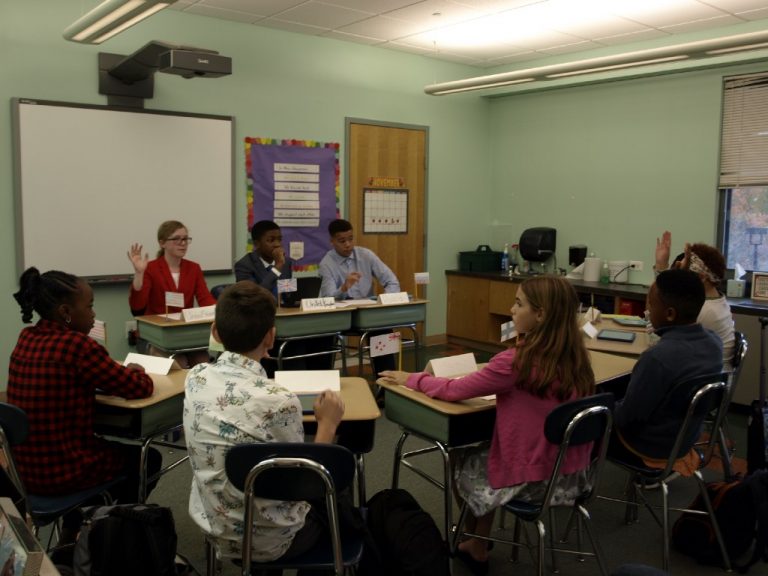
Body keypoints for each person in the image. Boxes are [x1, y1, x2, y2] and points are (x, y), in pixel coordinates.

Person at [380, 276, 595, 575]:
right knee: (485, 449)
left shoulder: (515, 362)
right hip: (572, 476)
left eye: (519, 304)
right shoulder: (577, 358)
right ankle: (476, 541)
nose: (511, 309)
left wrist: (410, 378)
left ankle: (476, 543)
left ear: (541, 315)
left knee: (459, 454)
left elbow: (454, 391)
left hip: (534, 483)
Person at [183, 281, 346, 563]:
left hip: (215, 528)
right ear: (271, 337)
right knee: (339, 498)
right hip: (275, 541)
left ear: (215, 333)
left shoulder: (195, 378)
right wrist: (328, 425)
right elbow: (305, 482)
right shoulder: (280, 400)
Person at [7, 267, 162, 544]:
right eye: (89, 306)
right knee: (146, 458)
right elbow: (140, 387)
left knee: (103, 444)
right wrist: (136, 370)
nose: (93, 314)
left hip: (23, 475)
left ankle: (73, 530)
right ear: (66, 312)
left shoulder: (26, 337)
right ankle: (110, 536)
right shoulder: (77, 345)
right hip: (65, 471)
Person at [610, 268, 723, 467]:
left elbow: (627, 418)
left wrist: (606, 403)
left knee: (590, 413)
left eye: (651, 305)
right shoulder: (715, 344)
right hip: (684, 439)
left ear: (669, 314)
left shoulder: (657, 358)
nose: (648, 310)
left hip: (649, 446)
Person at [234, 220, 335, 375]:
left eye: (279, 239)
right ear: (256, 244)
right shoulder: (244, 265)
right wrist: (276, 268)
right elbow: (253, 298)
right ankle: (296, 383)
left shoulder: (286, 262)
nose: (277, 244)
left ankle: (320, 381)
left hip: (286, 319)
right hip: (260, 323)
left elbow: (287, 292)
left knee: (324, 336)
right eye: (270, 240)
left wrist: (296, 299)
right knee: (295, 343)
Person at [127, 220, 215, 366]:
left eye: (186, 238)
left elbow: (206, 300)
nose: (183, 243)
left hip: (184, 335)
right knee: (177, 362)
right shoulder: (151, 268)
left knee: (202, 361)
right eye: (176, 239)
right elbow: (137, 308)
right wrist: (139, 274)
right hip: (154, 337)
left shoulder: (194, 268)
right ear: (162, 243)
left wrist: (221, 311)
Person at [319, 219, 400, 375]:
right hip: (342, 316)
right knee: (323, 336)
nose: (348, 244)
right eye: (342, 241)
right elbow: (328, 297)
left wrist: (385, 300)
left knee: (384, 328)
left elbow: (391, 281)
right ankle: (326, 383)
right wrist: (344, 287)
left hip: (368, 314)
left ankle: (387, 384)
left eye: (350, 239)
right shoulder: (327, 263)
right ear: (332, 241)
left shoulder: (366, 255)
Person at [655, 231, 735, 368]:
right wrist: (661, 265)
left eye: (684, 271)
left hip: (697, 380)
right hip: (702, 374)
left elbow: (657, 340)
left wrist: (662, 269)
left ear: (702, 277)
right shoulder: (716, 301)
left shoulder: (703, 311)